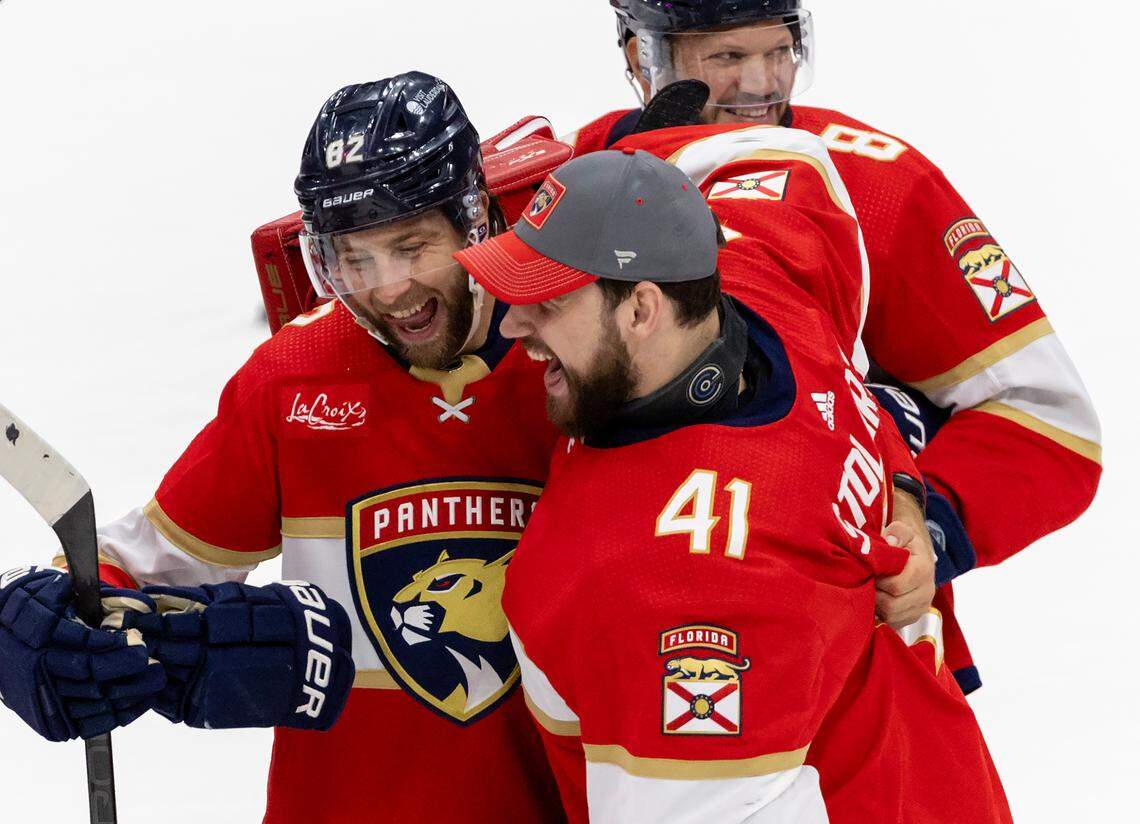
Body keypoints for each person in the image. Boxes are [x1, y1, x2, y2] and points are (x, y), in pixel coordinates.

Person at [0, 72, 567, 823]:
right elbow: (147, 561)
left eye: (411, 247)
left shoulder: (571, 356)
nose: (387, 288)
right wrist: (40, 619)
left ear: (474, 218)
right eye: (353, 259)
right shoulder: (294, 378)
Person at [456, 147, 1012, 823]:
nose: (513, 324)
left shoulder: (662, 589)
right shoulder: (752, 281)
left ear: (642, 309)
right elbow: (792, 172)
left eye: (548, 299)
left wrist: (900, 492)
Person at [566, 0, 1103, 693]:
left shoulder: (880, 185)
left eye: (780, 50)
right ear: (643, 57)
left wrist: (922, 515)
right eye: (727, 57)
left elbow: (1047, 422)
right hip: (618, 641)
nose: (762, 83)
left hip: (842, 660)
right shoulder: (570, 178)